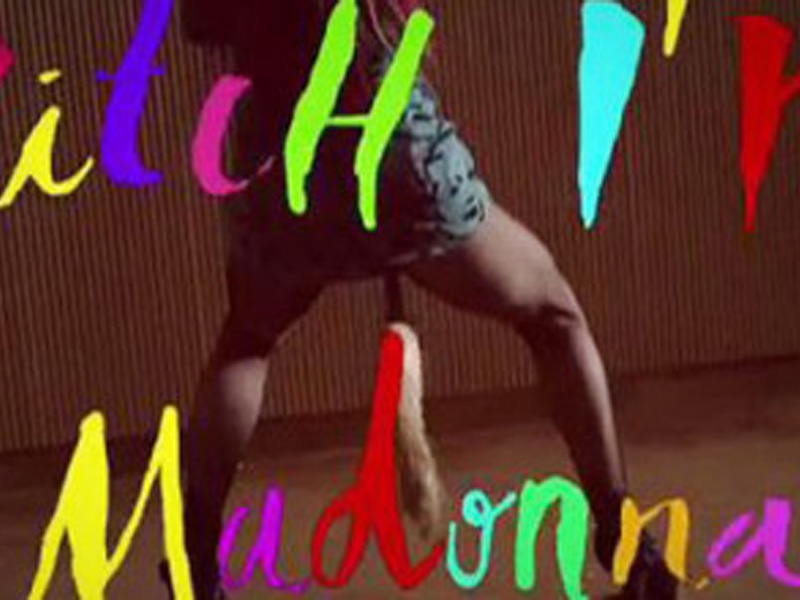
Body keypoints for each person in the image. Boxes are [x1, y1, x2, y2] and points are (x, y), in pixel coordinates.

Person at [176, 1, 678, 598]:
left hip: (284, 166)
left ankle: (195, 567)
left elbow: (203, 25)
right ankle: (627, 542)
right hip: (395, 153)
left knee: (247, 342)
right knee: (554, 317)